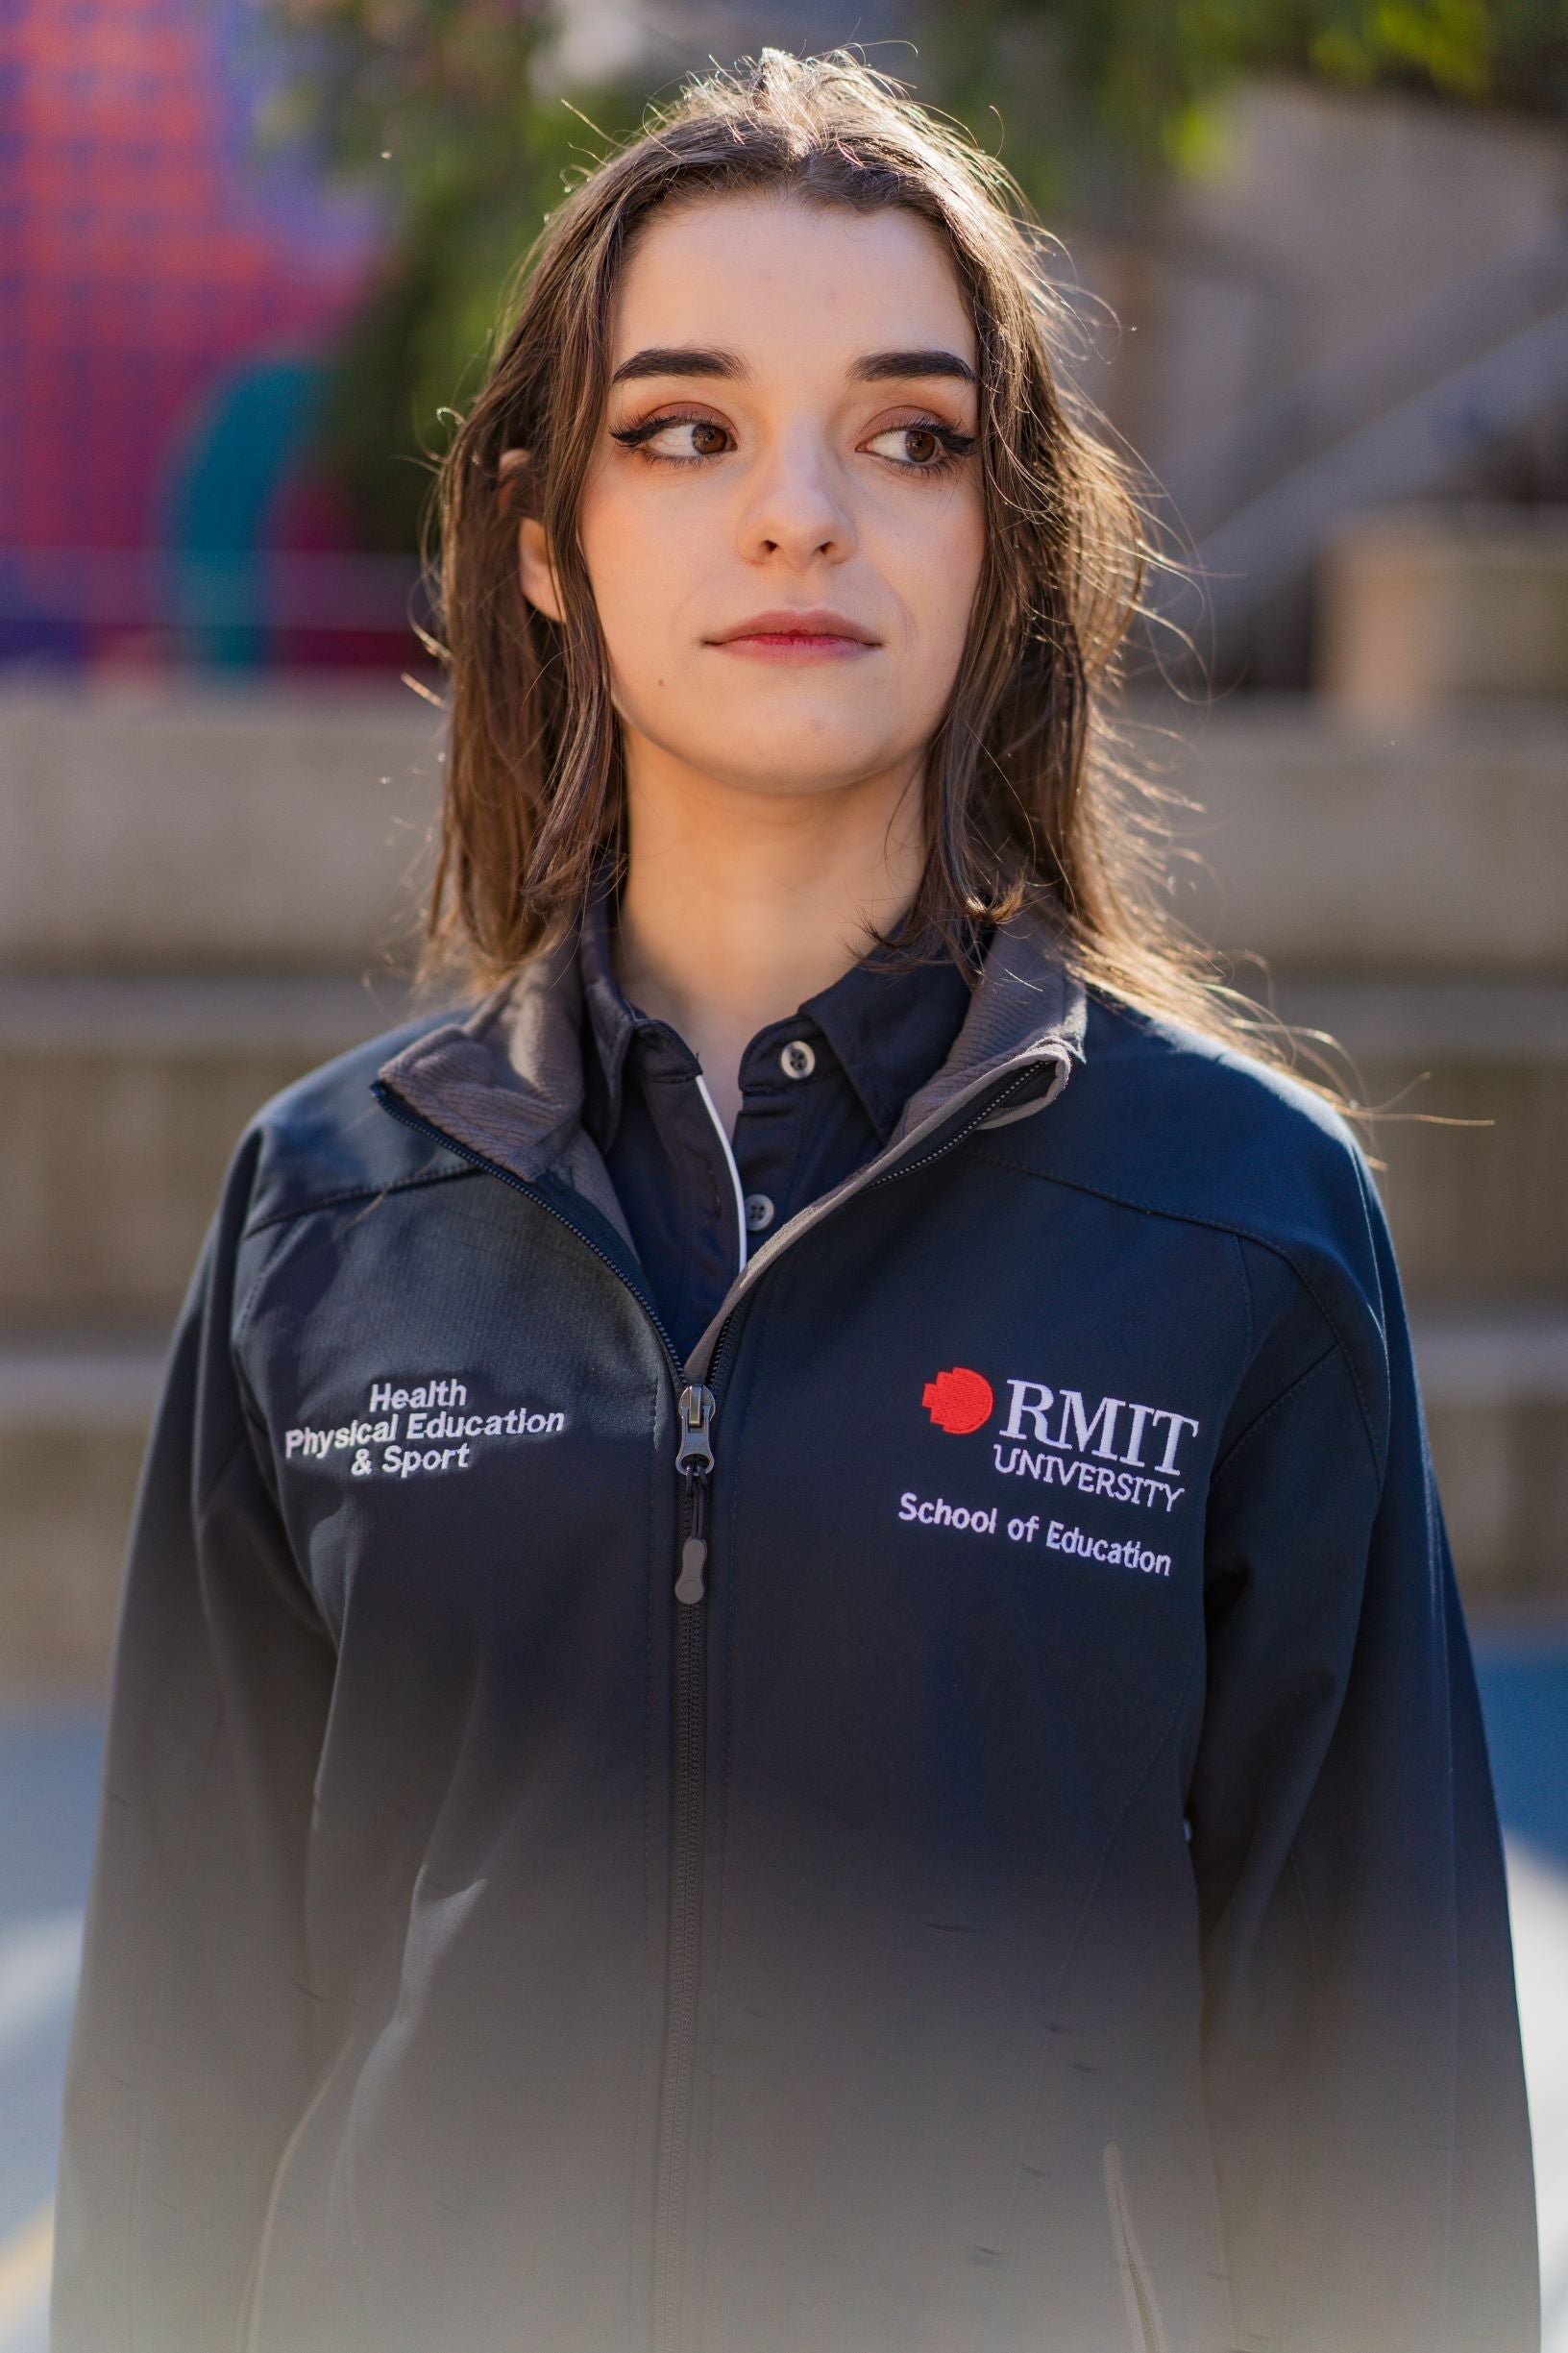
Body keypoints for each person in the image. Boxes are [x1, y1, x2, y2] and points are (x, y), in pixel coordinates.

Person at [52, 46, 1537, 2353]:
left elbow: (1392, 2128)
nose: (800, 512)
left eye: (910, 435)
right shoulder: (325, 1217)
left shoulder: (1242, 1226)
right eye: (689, 426)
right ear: (547, 544)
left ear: (1005, 545)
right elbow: (180, 2071)